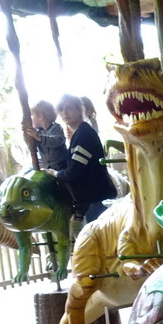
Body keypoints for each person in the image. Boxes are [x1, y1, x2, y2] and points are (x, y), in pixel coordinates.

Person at [51, 94, 117, 226]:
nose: (64, 113)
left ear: (78, 109)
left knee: (101, 244)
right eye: (61, 109)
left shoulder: (84, 135)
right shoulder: (80, 134)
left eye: (69, 108)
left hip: (96, 199)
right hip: (94, 199)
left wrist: (55, 173)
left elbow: (74, 172)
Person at [22, 100, 69, 171]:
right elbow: (31, 145)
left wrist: (39, 137)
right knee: (26, 172)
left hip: (59, 166)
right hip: (44, 166)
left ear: (40, 116)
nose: (31, 119)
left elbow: (57, 141)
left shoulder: (56, 128)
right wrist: (26, 133)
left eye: (32, 116)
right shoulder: (38, 131)